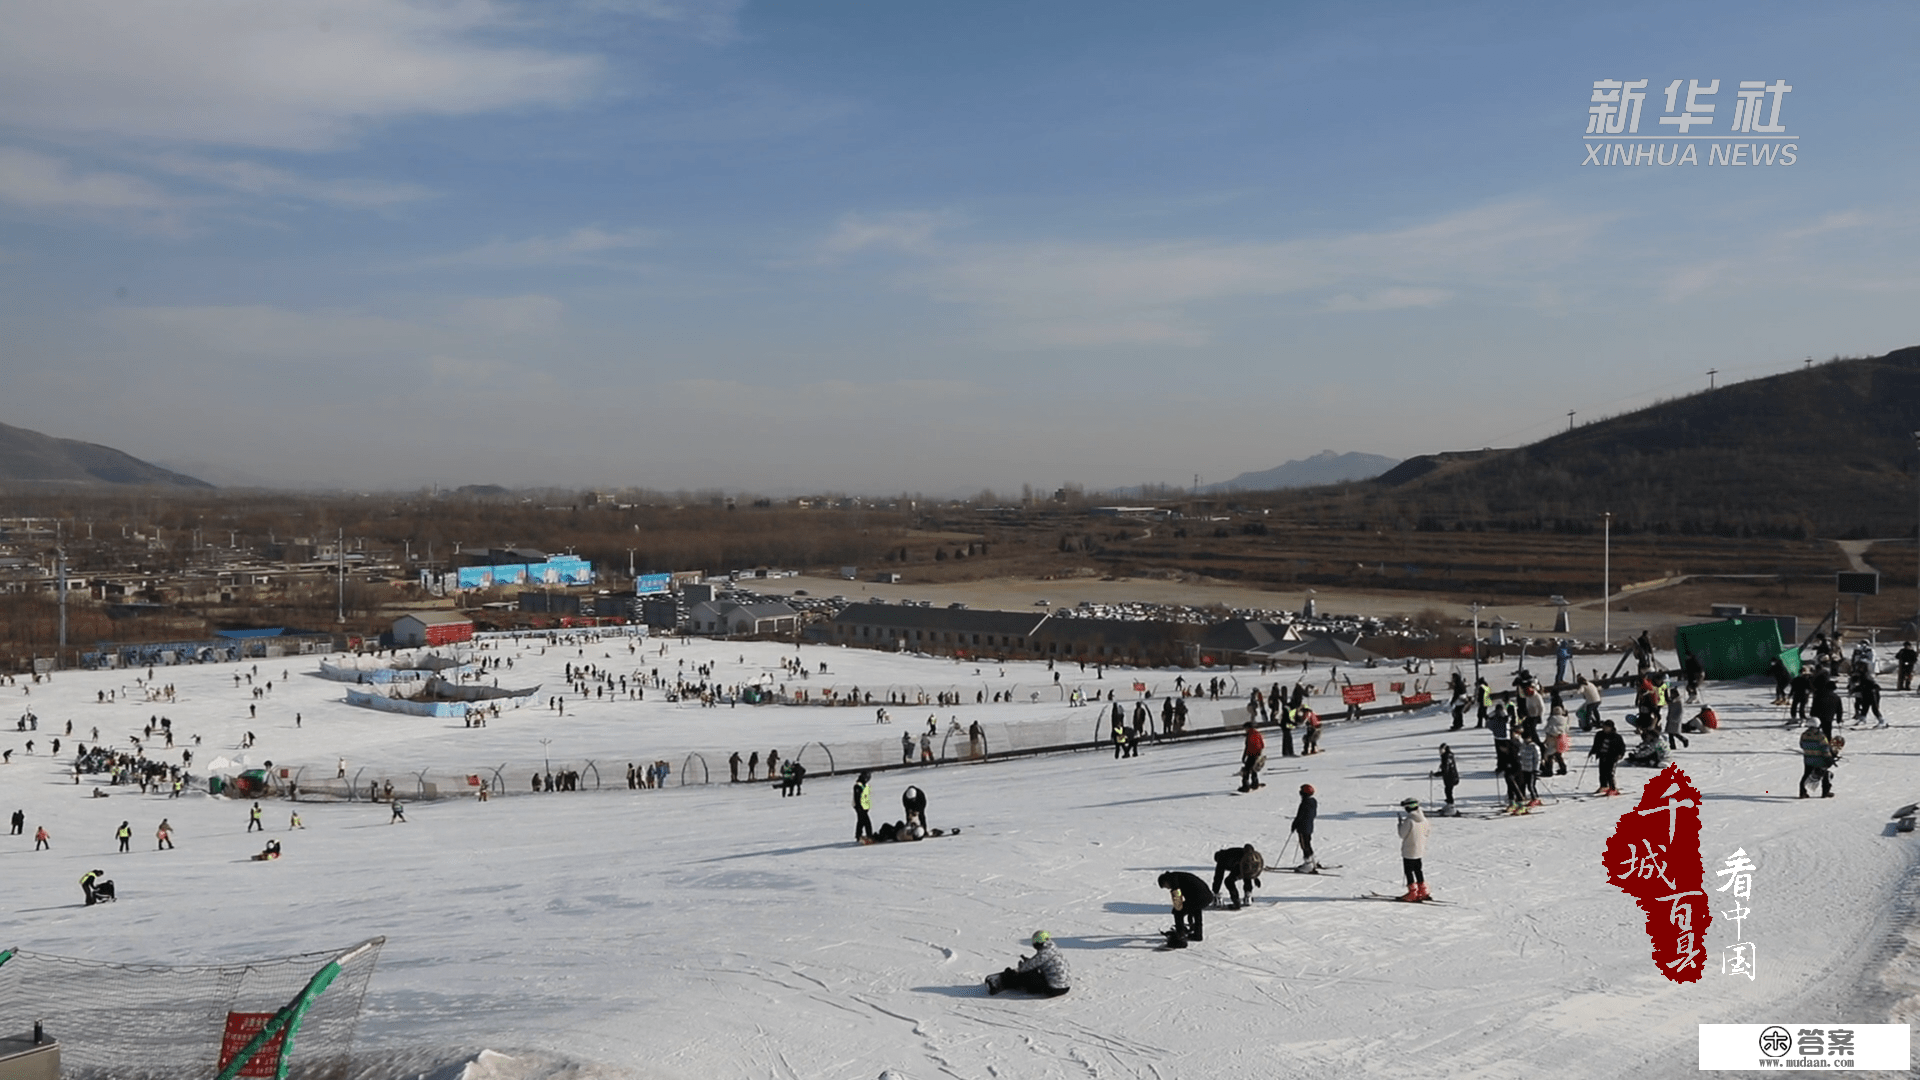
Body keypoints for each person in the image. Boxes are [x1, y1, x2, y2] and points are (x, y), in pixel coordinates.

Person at [985, 931, 1071, 997]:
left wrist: (1018, 970)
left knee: (1027, 975)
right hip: (1065, 987)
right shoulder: (1053, 949)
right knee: (1033, 972)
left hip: (1054, 989)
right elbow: (1039, 962)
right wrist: (1029, 961)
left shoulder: (1044, 953)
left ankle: (1007, 982)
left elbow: (1028, 967)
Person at [1157, 870, 1214, 944]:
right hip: (1207, 896)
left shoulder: (1172, 879)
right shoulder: (1177, 875)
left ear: (1165, 881)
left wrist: (1176, 909)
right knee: (1196, 910)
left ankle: (1180, 936)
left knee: (1178, 913)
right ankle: (1198, 934)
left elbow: (1177, 896)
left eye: (1165, 886)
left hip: (1199, 897)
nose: (1168, 888)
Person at [1396, 798, 1431, 901]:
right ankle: (1423, 890)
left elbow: (1402, 835)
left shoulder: (1409, 820)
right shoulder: (1424, 819)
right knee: (1418, 869)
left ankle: (1412, 893)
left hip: (1409, 849)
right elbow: (1427, 833)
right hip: (1420, 849)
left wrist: (1400, 825)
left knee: (1409, 871)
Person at [1210, 844, 1265, 908]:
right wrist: (1255, 877)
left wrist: (1215, 891)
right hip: (1242, 866)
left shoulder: (1222, 858)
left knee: (1228, 881)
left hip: (1240, 865)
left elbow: (1218, 877)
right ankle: (1248, 895)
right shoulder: (1234, 852)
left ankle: (1235, 901)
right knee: (1247, 874)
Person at [1589, 720, 1625, 796]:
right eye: (1604, 727)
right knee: (1602, 772)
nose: (1605, 728)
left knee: (1609, 773)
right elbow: (1596, 744)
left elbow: (1622, 747)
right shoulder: (1599, 734)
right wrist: (1592, 751)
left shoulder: (1616, 737)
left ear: (1611, 728)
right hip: (1602, 755)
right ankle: (1604, 786)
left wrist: (1620, 754)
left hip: (1612, 756)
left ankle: (1613, 788)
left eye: (1607, 727)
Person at [1799, 725, 1835, 799]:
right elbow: (1825, 748)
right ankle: (1825, 792)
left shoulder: (1804, 735)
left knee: (1806, 775)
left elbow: (1802, 745)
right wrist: (1829, 758)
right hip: (1820, 759)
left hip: (1808, 759)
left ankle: (1802, 792)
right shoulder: (1821, 736)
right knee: (1824, 774)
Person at [1291, 785, 1319, 869]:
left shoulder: (1305, 803)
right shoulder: (1313, 802)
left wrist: (1294, 824)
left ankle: (1308, 864)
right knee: (1308, 843)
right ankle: (1313, 860)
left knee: (1304, 845)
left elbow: (1300, 816)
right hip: (1309, 826)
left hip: (1302, 827)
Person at [1238, 721, 1266, 793]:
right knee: (1254, 770)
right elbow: (1262, 745)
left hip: (1251, 754)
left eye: (1245, 728)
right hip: (1257, 754)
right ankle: (1255, 783)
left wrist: (1244, 755)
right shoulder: (1258, 733)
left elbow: (1248, 746)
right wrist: (1260, 753)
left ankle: (1245, 786)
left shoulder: (1249, 734)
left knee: (1246, 771)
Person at [1431, 744, 1460, 811]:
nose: (1439, 751)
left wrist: (1435, 774)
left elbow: (1445, 770)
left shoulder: (1445, 757)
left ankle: (1451, 806)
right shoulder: (1449, 756)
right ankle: (1449, 805)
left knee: (1448, 791)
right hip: (1453, 777)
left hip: (1450, 778)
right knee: (1448, 791)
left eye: (1440, 750)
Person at [853, 771, 874, 842]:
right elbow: (857, 797)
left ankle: (858, 835)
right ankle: (869, 835)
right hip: (859, 807)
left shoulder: (865, 785)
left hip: (864, 807)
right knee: (867, 822)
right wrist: (859, 807)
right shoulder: (858, 786)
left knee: (861, 821)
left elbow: (865, 797)